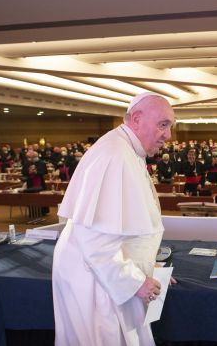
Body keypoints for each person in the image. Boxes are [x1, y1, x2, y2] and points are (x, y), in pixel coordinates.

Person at [53, 92, 177, 346]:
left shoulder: (128, 150)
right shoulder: (115, 155)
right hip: (97, 280)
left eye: (170, 127)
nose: (168, 135)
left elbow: (122, 227)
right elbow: (96, 242)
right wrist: (136, 281)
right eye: (163, 125)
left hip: (107, 271)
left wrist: (146, 266)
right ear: (136, 119)